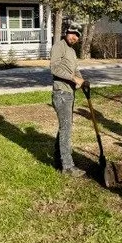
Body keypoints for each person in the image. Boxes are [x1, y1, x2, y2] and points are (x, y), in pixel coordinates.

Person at [50, 22, 86, 177]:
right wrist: (73, 78)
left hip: (69, 93)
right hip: (61, 93)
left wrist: (82, 81)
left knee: (65, 127)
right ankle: (68, 167)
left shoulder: (71, 51)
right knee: (66, 129)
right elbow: (54, 68)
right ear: (66, 32)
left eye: (77, 35)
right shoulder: (59, 46)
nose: (74, 37)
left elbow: (75, 69)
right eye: (72, 33)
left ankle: (58, 159)